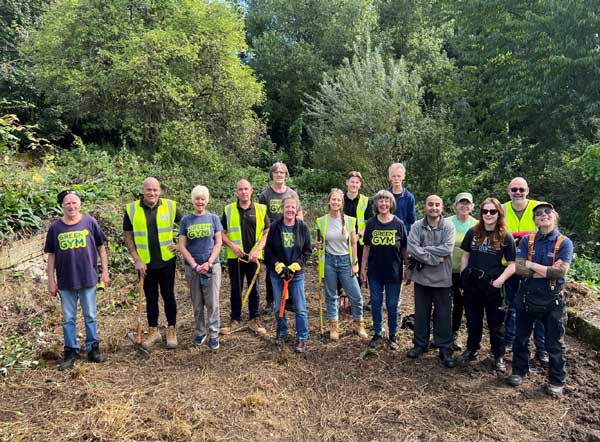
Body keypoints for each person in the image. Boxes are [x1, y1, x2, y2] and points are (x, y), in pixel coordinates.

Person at [506, 202, 573, 398]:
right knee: (521, 337)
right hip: (526, 296)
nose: (543, 215)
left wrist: (532, 264)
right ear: (535, 220)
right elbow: (519, 269)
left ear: (554, 216)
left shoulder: (565, 242)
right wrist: (546, 271)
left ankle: (556, 381)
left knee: (554, 343)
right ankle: (519, 371)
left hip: (553, 300)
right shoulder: (528, 240)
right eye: (538, 214)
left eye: (547, 212)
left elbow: (560, 272)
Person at [45, 190, 110, 370]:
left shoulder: (89, 222)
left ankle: (92, 348)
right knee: (68, 318)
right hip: (66, 281)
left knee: (90, 315)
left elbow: (101, 247)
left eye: (74, 202)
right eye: (67, 203)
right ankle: (71, 351)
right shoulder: (55, 228)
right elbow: (51, 256)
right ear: (62, 206)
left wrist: (105, 272)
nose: (71, 206)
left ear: (79, 204)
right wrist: (51, 280)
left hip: (88, 278)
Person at [457, 198, 516, 372]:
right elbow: (465, 256)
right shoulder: (473, 232)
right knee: (473, 320)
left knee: (496, 324)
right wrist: (463, 279)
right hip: (472, 284)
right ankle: (472, 349)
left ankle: (498, 356)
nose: (488, 215)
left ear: (499, 213)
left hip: (493, 285)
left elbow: (513, 264)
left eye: (492, 211)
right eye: (485, 211)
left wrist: (500, 281)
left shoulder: (506, 236)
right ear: (481, 213)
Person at [124, 177, 182, 349]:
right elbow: (128, 237)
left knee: (169, 296)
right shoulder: (132, 209)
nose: (152, 193)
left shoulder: (170, 206)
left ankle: (171, 329)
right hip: (145, 265)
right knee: (151, 298)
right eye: (149, 190)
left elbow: (187, 225)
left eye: (155, 190)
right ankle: (153, 331)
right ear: (143, 190)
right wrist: (137, 259)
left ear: (160, 190)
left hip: (167, 262)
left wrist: (180, 245)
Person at [406, 195, 456, 368]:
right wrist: (435, 258)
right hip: (421, 278)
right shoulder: (417, 226)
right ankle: (420, 344)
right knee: (421, 313)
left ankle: (445, 349)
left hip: (443, 279)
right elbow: (412, 247)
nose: (433, 207)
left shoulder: (448, 226)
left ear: (442, 207)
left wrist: (423, 251)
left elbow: (447, 249)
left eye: (437, 205)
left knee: (443, 315)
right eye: (430, 204)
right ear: (425, 207)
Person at [502, 177, 547, 366]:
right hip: (510, 266)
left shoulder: (540, 208)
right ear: (508, 191)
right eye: (514, 190)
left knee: (540, 309)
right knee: (512, 307)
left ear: (527, 190)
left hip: (534, 268)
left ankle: (542, 349)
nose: (518, 192)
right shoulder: (502, 209)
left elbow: (550, 233)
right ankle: (510, 342)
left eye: (521, 189)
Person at [316, 189, 368, 341]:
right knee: (331, 295)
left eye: (338, 200)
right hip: (329, 262)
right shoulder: (322, 221)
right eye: (333, 199)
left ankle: (359, 324)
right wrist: (317, 245)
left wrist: (355, 263)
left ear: (342, 203)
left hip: (346, 261)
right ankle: (334, 326)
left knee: (356, 296)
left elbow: (353, 243)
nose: (336, 202)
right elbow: (320, 242)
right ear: (328, 201)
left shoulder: (350, 221)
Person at [360, 190, 408, 350]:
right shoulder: (371, 224)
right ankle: (378, 333)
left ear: (391, 204)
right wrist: (363, 269)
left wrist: (408, 267)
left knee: (393, 305)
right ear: (376, 204)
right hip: (375, 272)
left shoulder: (399, 224)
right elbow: (366, 248)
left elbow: (404, 249)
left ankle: (393, 334)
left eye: (386, 201)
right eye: (380, 201)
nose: (383, 204)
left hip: (394, 272)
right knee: (376, 303)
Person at [220, 179, 269, 337]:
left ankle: (254, 319)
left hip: (254, 257)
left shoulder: (261, 209)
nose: (243, 192)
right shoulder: (228, 209)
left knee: (254, 289)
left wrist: (258, 249)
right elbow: (221, 232)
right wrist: (232, 246)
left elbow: (267, 231)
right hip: (235, 258)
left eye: (246, 189)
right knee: (236, 288)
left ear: (251, 190)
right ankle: (235, 319)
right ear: (236, 192)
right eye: (240, 189)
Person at [264, 196, 312, 353]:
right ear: (282, 209)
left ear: (296, 209)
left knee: (300, 307)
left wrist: (296, 265)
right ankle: (282, 333)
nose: (290, 210)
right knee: (279, 306)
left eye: (293, 207)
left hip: (295, 274)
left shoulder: (302, 227)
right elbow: (268, 250)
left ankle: (302, 337)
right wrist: (277, 265)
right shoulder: (275, 227)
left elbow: (307, 250)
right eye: (287, 207)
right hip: (278, 274)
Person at [179, 185, 223, 350]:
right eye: (197, 198)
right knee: (197, 303)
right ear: (193, 200)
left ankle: (213, 334)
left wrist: (209, 262)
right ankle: (199, 332)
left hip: (212, 267)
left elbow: (218, 242)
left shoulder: (213, 218)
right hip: (193, 268)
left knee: (212, 302)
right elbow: (182, 245)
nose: (200, 201)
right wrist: (194, 265)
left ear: (207, 200)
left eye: (203, 199)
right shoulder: (186, 220)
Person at [259, 162, 303, 315]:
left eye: (282, 172)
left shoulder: (292, 194)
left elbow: (299, 214)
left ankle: (289, 301)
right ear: (272, 174)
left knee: (290, 266)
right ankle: (271, 301)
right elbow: (261, 217)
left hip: (290, 233)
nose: (279, 175)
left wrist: (300, 231)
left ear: (286, 175)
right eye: (276, 172)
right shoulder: (265, 195)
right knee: (273, 267)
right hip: (272, 234)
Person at [446, 192, 478, 349]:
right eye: (461, 203)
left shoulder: (477, 225)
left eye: (467, 203)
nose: (464, 206)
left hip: (465, 272)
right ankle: (438, 332)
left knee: (459, 304)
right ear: (455, 206)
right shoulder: (446, 222)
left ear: (472, 207)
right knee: (442, 302)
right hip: (444, 270)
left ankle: (454, 333)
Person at [387, 163, 417, 234]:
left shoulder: (409, 197)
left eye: (398, 176)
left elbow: (412, 220)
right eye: (394, 176)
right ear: (390, 177)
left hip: (403, 235)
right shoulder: (384, 195)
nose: (396, 179)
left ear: (403, 176)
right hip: (386, 234)